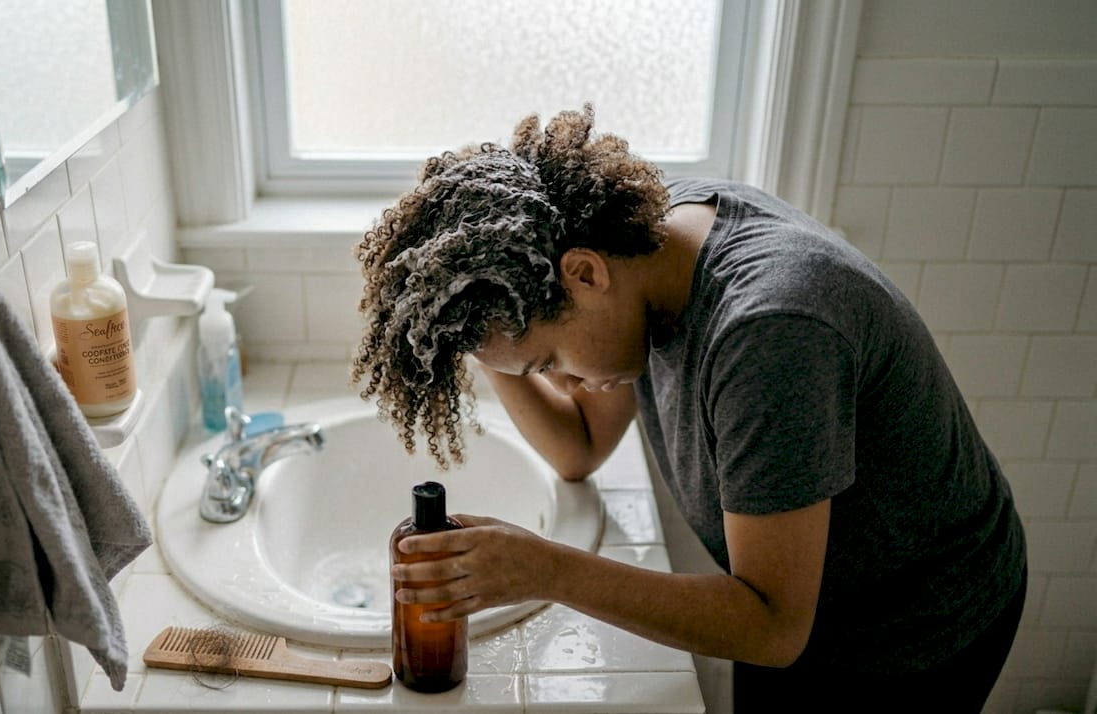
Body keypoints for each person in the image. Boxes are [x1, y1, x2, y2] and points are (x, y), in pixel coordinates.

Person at [351, 105, 1026, 711]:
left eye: (550, 362)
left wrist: (543, 568)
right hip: (804, 608)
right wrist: (481, 337)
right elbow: (579, 447)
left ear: (583, 274)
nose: (564, 380)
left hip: (919, 631)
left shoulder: (769, 334)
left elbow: (771, 627)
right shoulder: (642, 256)